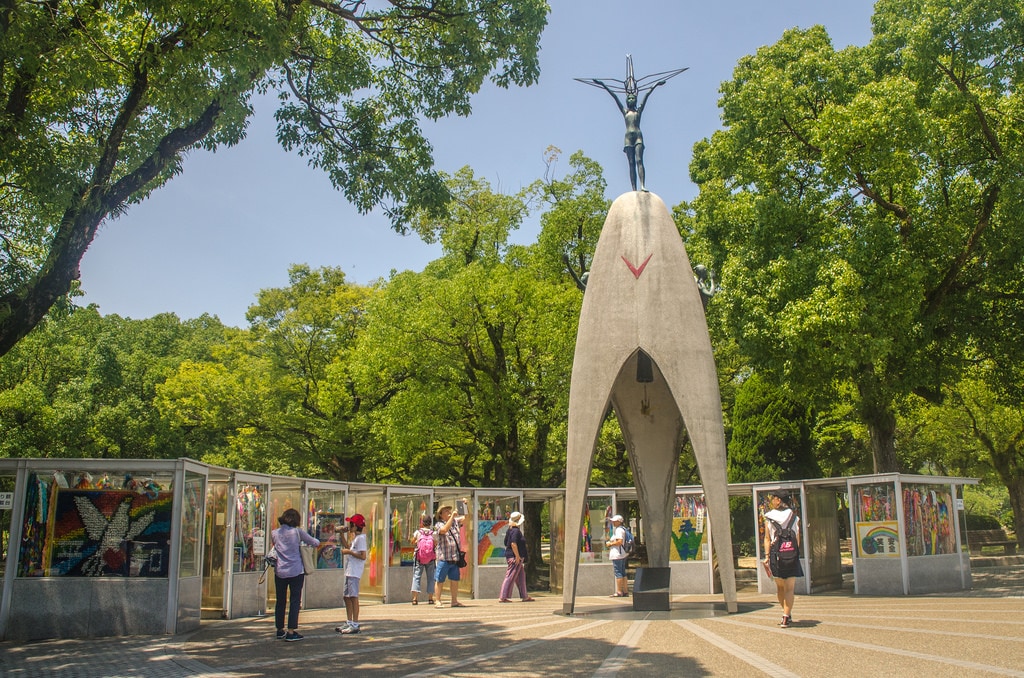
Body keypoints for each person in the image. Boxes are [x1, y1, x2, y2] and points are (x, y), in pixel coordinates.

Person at [270, 508, 320, 642]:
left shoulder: (274, 533)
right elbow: (315, 542)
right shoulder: (297, 532)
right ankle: (291, 631)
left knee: (280, 601)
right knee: (294, 601)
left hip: (280, 571)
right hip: (296, 571)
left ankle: (279, 629)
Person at [763, 493, 803, 628]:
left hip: (776, 555)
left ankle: (786, 613)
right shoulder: (794, 517)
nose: (771, 501)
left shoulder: (769, 517)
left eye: (773, 498)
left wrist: (767, 556)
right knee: (790, 588)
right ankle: (786, 616)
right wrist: (795, 552)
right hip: (791, 554)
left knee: (780, 587)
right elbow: (797, 537)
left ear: (778, 500)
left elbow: (767, 539)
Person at [336, 513, 367, 635]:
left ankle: (355, 623)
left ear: (355, 525)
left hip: (354, 572)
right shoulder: (356, 538)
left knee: (353, 597)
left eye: (351, 524)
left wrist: (349, 552)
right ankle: (349, 621)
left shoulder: (361, 539)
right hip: (350, 570)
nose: (349, 526)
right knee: (346, 596)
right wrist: (341, 535)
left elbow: (363, 556)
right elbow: (348, 547)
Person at [433, 505, 467, 608]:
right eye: (446, 511)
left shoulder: (455, 522)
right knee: (439, 580)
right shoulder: (438, 524)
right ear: (440, 515)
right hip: (444, 557)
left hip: (454, 557)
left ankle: (454, 601)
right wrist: (452, 517)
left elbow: (466, 518)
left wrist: (464, 505)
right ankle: (438, 600)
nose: (449, 512)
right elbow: (443, 530)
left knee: (455, 580)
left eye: (449, 511)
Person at [499, 511, 535, 602]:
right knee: (510, 576)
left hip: (513, 556)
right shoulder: (516, 531)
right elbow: (513, 544)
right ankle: (503, 596)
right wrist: (517, 556)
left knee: (521, 576)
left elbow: (505, 542)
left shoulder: (509, 530)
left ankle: (524, 595)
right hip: (515, 557)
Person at [410, 514, 436, 605]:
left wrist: (417, 541)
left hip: (419, 558)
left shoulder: (418, 532)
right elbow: (435, 544)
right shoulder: (433, 533)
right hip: (430, 559)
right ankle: (430, 598)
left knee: (417, 576)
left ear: (422, 523)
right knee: (431, 577)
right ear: (430, 523)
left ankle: (414, 598)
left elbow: (412, 541)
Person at [605, 514, 629, 597]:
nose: (613, 522)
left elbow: (619, 542)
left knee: (618, 572)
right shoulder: (623, 529)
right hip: (622, 554)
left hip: (617, 554)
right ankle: (625, 591)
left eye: (614, 521)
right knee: (623, 572)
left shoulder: (619, 530)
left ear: (619, 522)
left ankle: (619, 591)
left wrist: (610, 544)